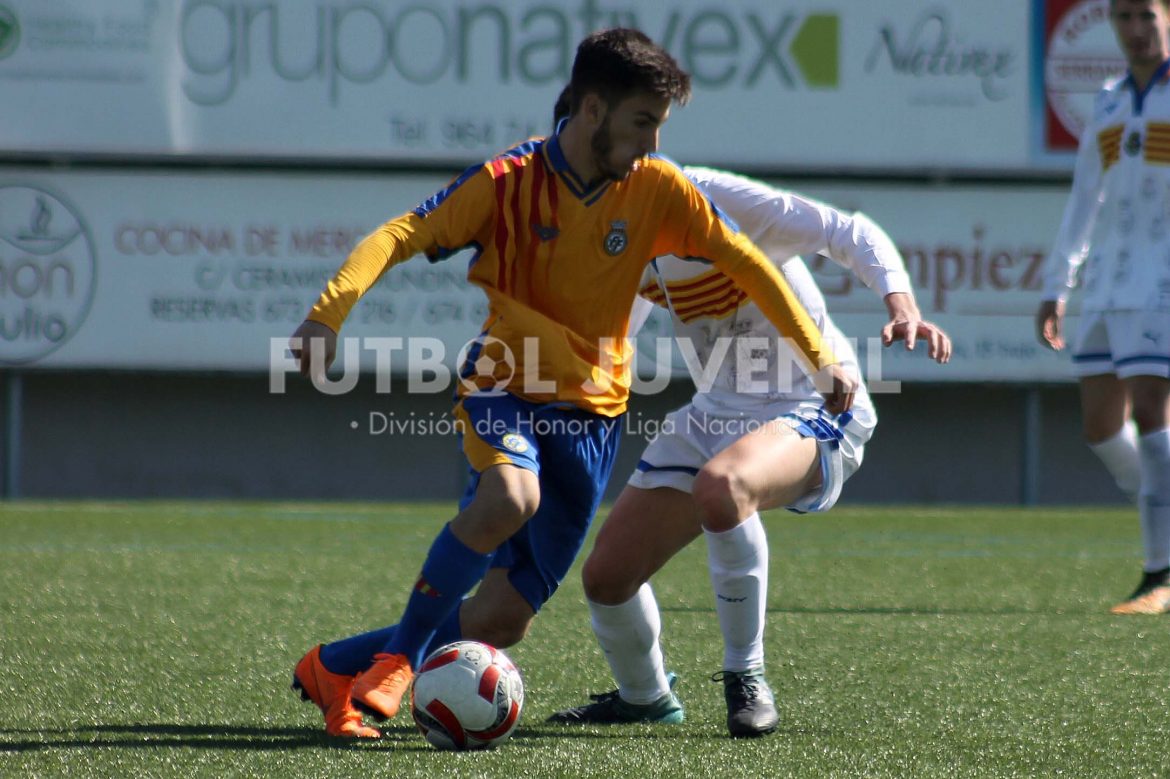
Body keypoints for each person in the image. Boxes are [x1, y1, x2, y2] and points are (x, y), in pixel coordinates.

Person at [288, 28, 857, 739]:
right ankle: (400, 659)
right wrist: (326, 316)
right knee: (510, 493)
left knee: (502, 617)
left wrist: (818, 354)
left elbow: (747, 263)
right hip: (504, 386)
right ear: (593, 109)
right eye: (641, 122)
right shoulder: (507, 183)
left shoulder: (657, 190)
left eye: (659, 125)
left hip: (592, 420)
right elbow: (400, 234)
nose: (652, 143)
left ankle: (333, 664)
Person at [546, 165, 951, 737]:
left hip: (815, 398)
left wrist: (902, 304)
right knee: (607, 579)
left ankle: (747, 675)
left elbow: (848, 230)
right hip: (714, 411)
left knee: (722, 487)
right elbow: (613, 335)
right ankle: (645, 696)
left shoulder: (714, 198)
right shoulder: (604, 231)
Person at [1037, 0, 1170, 615]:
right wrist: (1055, 284)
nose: (1136, 28)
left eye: (1146, 14)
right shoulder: (1111, 99)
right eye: (1123, 16)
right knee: (1100, 423)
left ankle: (1160, 573)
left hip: (1163, 279)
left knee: (1151, 412)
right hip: (1110, 280)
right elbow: (1083, 198)